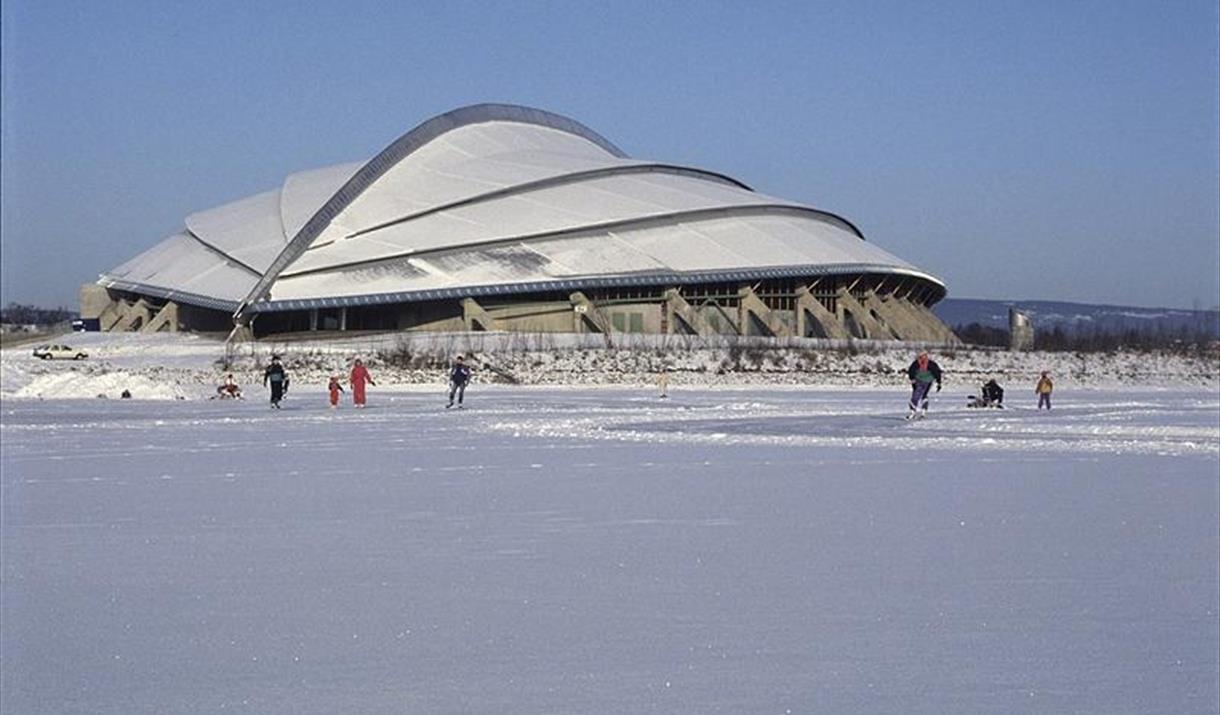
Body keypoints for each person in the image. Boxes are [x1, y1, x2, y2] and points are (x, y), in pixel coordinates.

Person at [905, 350, 942, 419]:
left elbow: (937, 372)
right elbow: (911, 371)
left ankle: (916, 410)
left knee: (917, 395)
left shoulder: (930, 364)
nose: (922, 358)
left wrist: (939, 382)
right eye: (921, 356)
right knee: (921, 395)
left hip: (926, 381)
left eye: (923, 356)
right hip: (918, 381)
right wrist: (912, 378)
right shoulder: (917, 363)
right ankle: (918, 410)